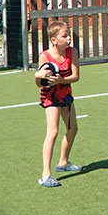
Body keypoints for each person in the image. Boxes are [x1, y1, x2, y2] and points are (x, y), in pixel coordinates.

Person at [35, 21, 81, 187]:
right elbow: (40, 83)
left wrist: (61, 80)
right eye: (65, 36)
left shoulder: (72, 52)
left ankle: (63, 162)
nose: (69, 38)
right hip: (51, 97)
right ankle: (46, 174)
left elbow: (76, 76)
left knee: (73, 129)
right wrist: (38, 77)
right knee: (53, 132)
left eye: (69, 35)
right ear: (54, 40)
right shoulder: (45, 56)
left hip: (66, 95)